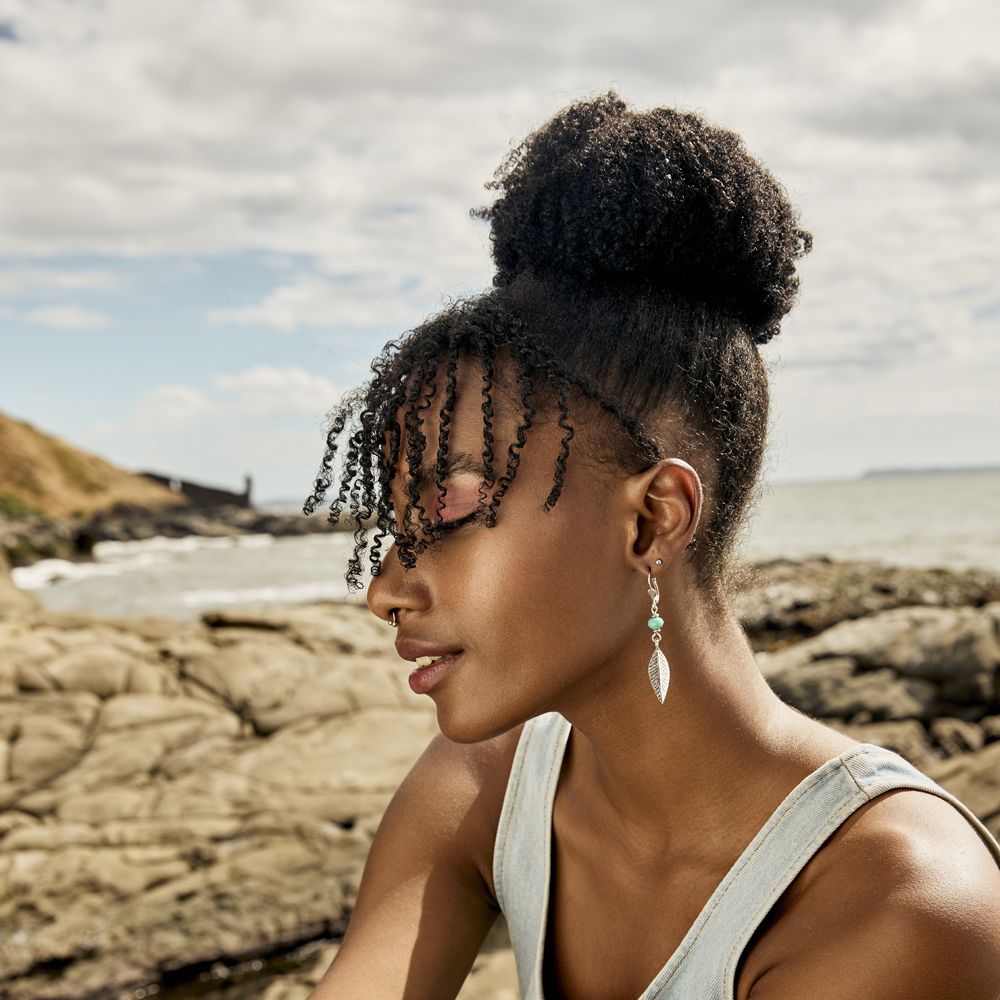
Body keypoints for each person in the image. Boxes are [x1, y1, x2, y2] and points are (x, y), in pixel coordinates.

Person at [302, 93, 1000, 999]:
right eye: (394, 529)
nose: (386, 590)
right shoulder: (487, 783)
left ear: (654, 520)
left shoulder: (900, 907)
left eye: (447, 510)